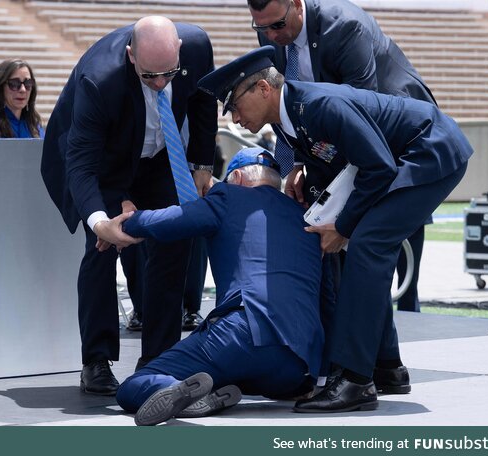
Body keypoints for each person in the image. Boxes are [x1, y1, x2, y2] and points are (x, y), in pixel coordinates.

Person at [197, 46, 472, 412]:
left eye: (234, 106)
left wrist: (342, 226)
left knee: (368, 245)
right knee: (363, 249)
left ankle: (356, 382)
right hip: (404, 155)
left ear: (263, 89)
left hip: (429, 150)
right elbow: (333, 160)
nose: (233, 118)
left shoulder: (319, 105)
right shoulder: (289, 116)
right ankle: (387, 367)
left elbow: (378, 168)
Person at [40, 16, 217, 396]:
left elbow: (203, 100)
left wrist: (202, 163)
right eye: (149, 75)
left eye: (168, 74)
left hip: (158, 157)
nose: (159, 83)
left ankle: (159, 359)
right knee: (102, 247)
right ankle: (97, 360)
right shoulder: (99, 81)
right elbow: (83, 164)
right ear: (130, 55)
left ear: (180, 54)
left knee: (175, 235)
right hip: (100, 159)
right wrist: (100, 220)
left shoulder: (198, 47)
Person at [95, 147, 323, 425]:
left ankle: (180, 391)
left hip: (242, 332)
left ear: (236, 176)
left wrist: (121, 225)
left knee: (133, 386)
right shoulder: (306, 217)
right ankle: (211, 391)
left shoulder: (228, 196)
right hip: (297, 364)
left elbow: (172, 220)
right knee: (240, 372)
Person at [248, 0, 437, 313]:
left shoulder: (344, 25)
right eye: (261, 27)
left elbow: (361, 108)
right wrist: (297, 162)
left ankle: (405, 303)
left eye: (277, 25)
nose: (270, 34)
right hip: (332, 125)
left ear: (296, 5)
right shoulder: (272, 32)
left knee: (394, 206)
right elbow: (289, 101)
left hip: (394, 121)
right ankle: (353, 312)